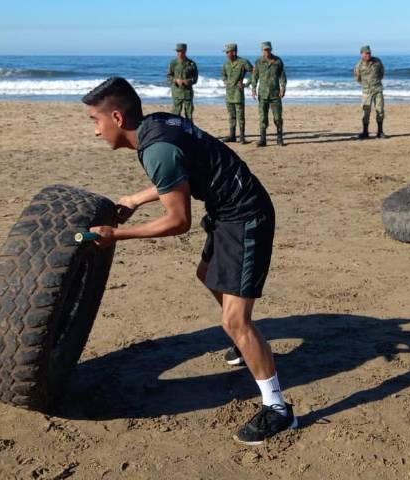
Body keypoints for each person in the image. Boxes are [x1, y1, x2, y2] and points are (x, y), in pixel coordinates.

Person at [82, 77, 297, 444]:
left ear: (116, 117)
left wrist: (116, 235)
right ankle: (245, 340)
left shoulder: (156, 150)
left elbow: (179, 222)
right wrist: (135, 199)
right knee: (206, 274)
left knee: (234, 320)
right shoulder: (159, 123)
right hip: (227, 208)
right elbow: (182, 172)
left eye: (94, 121)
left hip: (246, 216)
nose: (95, 131)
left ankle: (278, 409)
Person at [251, 41, 287, 147]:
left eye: (268, 49)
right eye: (265, 50)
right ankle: (263, 139)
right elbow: (255, 76)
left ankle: (279, 139)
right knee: (263, 117)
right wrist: (253, 88)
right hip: (262, 94)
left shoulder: (277, 61)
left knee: (278, 117)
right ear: (262, 50)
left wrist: (283, 88)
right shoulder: (258, 62)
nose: (267, 52)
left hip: (275, 94)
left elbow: (282, 75)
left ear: (271, 49)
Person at [221, 43, 254, 144]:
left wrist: (246, 84)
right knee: (231, 116)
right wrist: (226, 82)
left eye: (228, 52)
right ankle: (232, 136)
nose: (227, 54)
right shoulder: (226, 64)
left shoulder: (243, 62)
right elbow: (223, 76)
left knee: (240, 116)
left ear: (234, 52)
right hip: (229, 95)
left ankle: (242, 137)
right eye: (226, 52)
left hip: (238, 94)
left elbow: (254, 73)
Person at [353, 45, 386, 139]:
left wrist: (375, 82)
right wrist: (366, 85)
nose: (368, 55)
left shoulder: (377, 61)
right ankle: (365, 132)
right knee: (365, 111)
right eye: (366, 53)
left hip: (377, 89)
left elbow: (382, 73)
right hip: (366, 91)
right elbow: (357, 78)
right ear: (362, 54)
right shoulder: (359, 65)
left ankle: (380, 132)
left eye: (369, 53)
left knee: (380, 110)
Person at [166, 43, 198, 121]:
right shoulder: (173, 63)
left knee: (189, 115)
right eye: (178, 51)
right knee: (175, 115)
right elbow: (168, 76)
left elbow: (195, 78)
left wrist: (189, 81)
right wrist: (176, 80)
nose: (179, 53)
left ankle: (189, 132)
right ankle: (175, 132)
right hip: (177, 93)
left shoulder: (191, 64)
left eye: (181, 51)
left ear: (185, 51)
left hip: (187, 93)